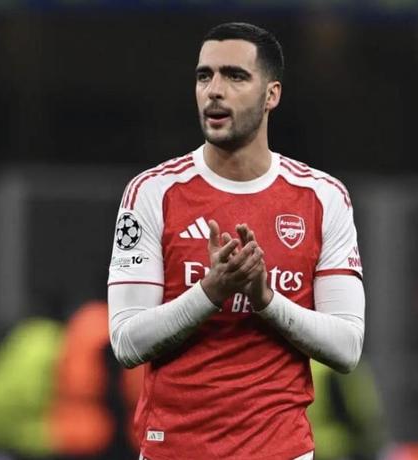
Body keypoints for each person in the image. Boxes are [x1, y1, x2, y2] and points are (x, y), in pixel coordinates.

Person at [107, 22, 365, 460]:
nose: (214, 90)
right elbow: (127, 342)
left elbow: (347, 348)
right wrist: (211, 291)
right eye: (204, 76)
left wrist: (266, 300)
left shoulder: (322, 197)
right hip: (174, 450)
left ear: (271, 95)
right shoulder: (152, 192)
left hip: (281, 452)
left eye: (235, 76)